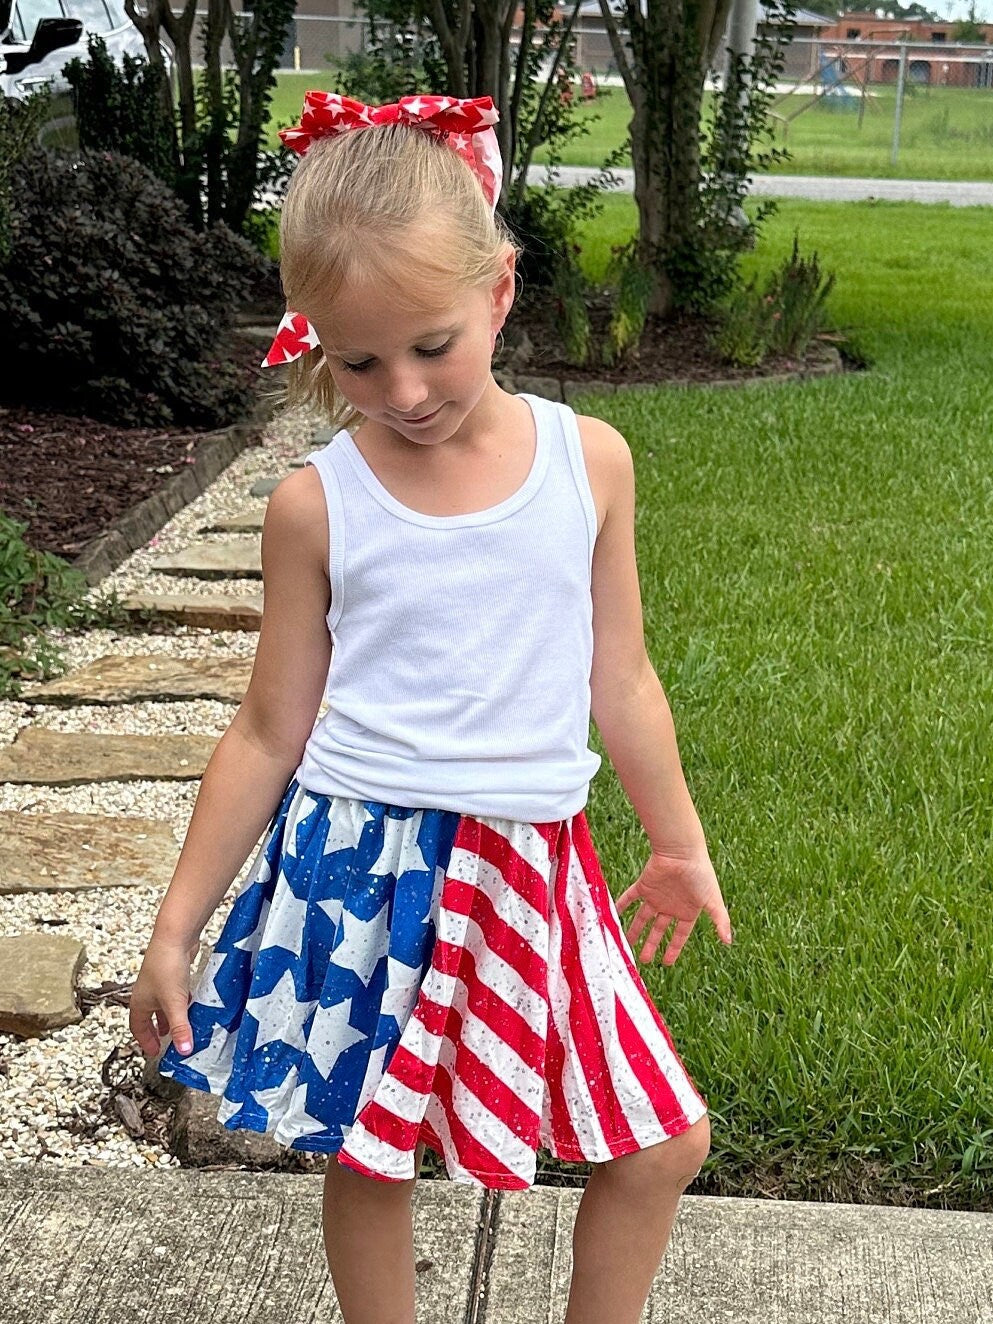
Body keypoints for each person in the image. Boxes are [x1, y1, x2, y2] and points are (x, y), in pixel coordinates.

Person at [129, 91, 733, 1324]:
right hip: (363, 862)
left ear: (501, 291)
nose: (401, 391)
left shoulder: (589, 463)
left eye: (432, 345)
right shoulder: (318, 504)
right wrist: (176, 926)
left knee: (661, 1140)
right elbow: (265, 730)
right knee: (371, 1148)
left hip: (532, 863)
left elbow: (620, 675)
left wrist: (678, 841)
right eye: (358, 361)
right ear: (317, 344)